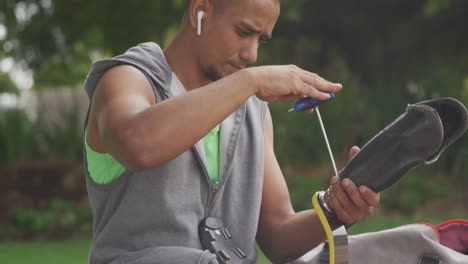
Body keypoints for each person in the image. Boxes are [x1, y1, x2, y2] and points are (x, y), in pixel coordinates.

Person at [82, 0, 380, 263]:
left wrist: (336, 209)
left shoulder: (253, 110)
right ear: (202, 10)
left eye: (260, 40)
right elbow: (138, 145)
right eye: (243, 32)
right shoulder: (126, 79)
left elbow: (277, 233)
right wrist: (251, 81)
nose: (251, 55)